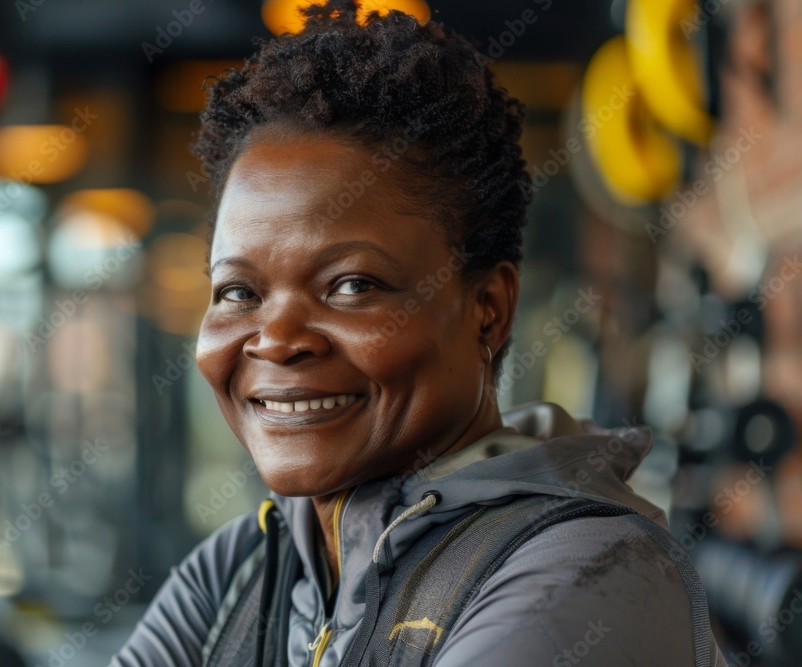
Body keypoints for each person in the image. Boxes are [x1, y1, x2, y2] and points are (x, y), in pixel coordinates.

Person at [111, 1, 728, 664]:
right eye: (239, 291)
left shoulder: (594, 573)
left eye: (351, 284)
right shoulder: (239, 573)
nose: (277, 338)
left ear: (488, 307)